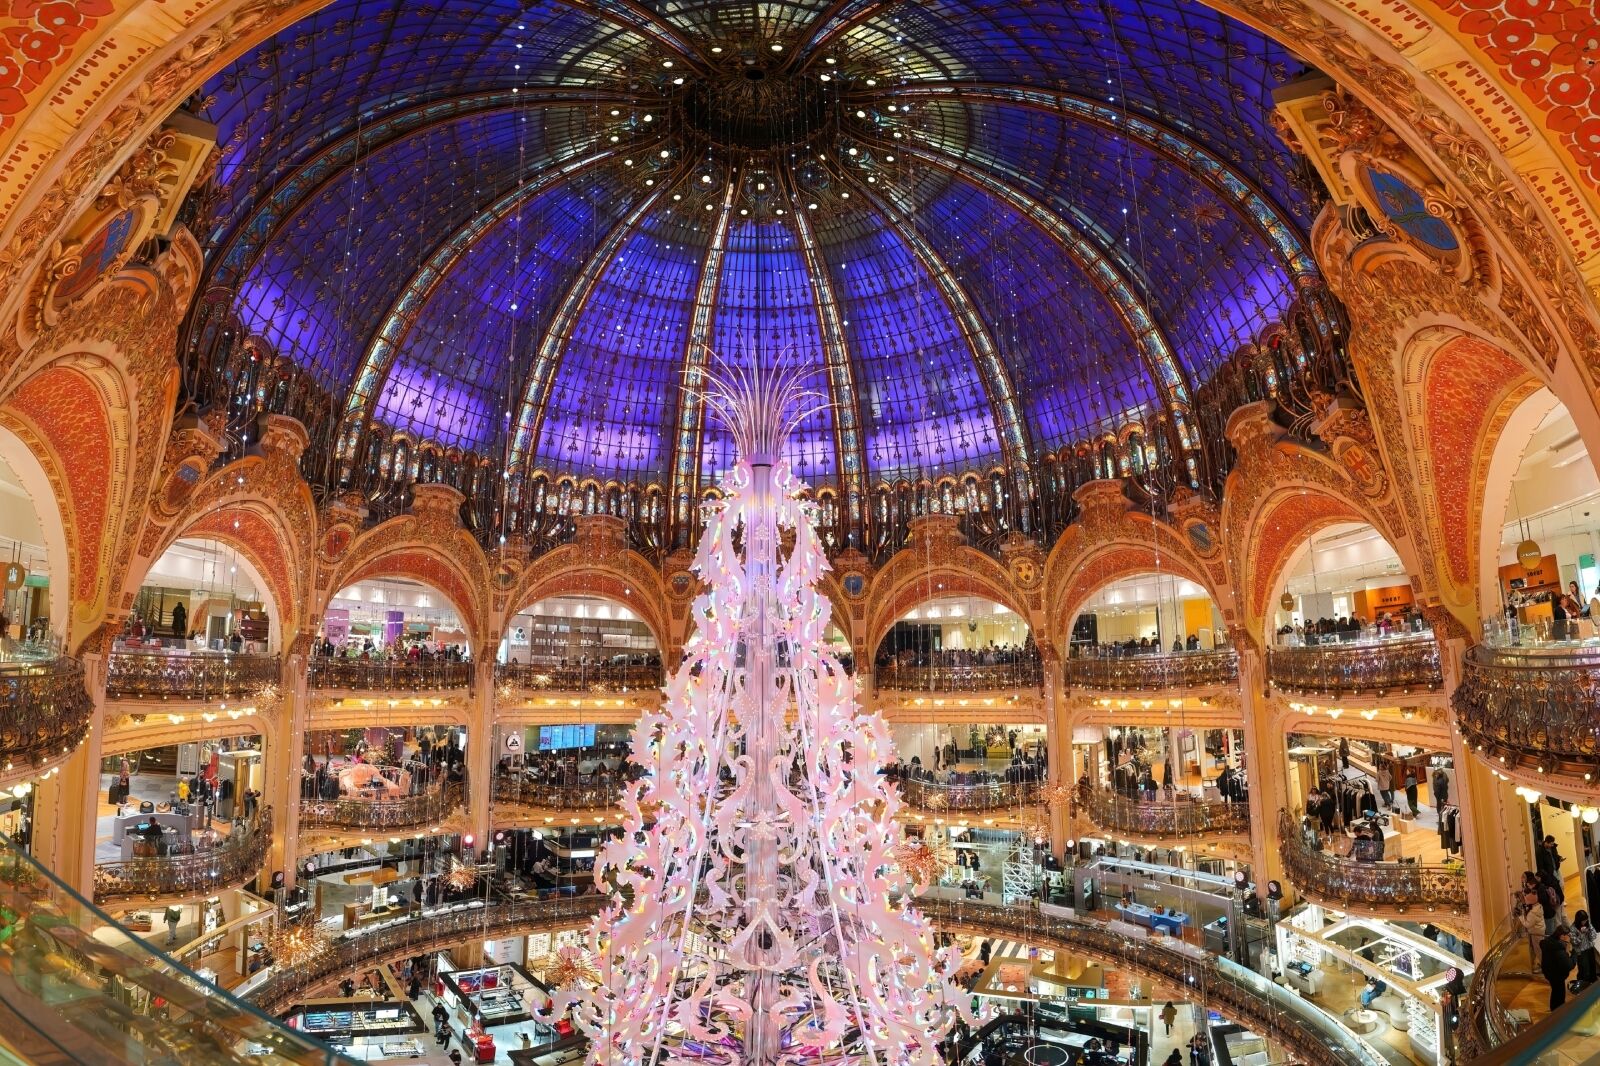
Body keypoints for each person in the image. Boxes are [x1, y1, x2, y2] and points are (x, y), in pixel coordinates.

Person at [1542, 926, 1575, 1010]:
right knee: (1559, 995)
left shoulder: (1548, 942)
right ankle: (1558, 1013)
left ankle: (1554, 1010)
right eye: (1568, 935)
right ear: (1562, 936)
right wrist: (1574, 955)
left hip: (1549, 972)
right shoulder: (1559, 950)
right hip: (1557, 975)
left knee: (1555, 992)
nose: (1569, 937)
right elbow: (1568, 965)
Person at [1573, 910, 1597, 985]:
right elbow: (1574, 942)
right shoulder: (1573, 928)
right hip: (1581, 952)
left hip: (1590, 949)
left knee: (1592, 967)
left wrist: (1589, 931)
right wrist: (1581, 934)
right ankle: (1583, 985)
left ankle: (1593, 982)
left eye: (1586, 920)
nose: (1585, 922)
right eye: (1583, 921)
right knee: (1584, 970)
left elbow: (1594, 935)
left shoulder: (1588, 924)